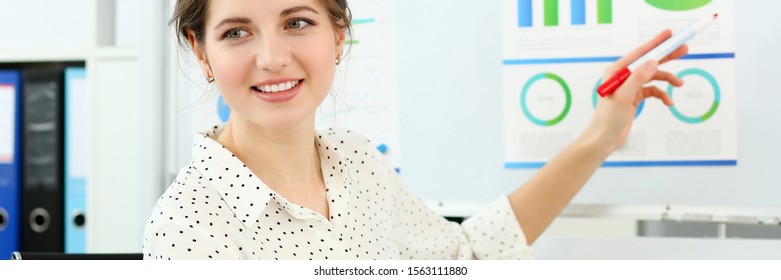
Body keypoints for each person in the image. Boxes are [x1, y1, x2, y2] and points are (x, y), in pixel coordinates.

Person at [143, 0, 687, 260]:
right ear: (202, 52)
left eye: (297, 22)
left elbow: (463, 255)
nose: (272, 57)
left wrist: (601, 137)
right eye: (237, 32)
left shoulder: (354, 161)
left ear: (338, 35)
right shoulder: (189, 227)